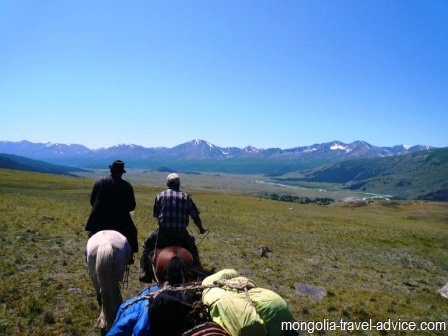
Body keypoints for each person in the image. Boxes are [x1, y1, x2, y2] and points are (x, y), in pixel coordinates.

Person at [139, 173, 207, 283]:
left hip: (164, 233)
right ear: (179, 184)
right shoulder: (186, 197)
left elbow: (157, 215)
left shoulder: (160, 196)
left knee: (147, 244)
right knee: (193, 249)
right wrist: (201, 229)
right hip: (181, 233)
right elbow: (195, 216)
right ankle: (198, 270)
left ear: (167, 184)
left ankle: (145, 272)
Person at [85, 160, 138, 263]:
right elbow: (132, 206)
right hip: (121, 222)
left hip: (99, 220)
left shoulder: (100, 182)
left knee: (92, 235)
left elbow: (92, 201)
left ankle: (87, 254)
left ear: (111, 170)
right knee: (132, 232)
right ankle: (130, 255)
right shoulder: (126, 185)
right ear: (122, 172)